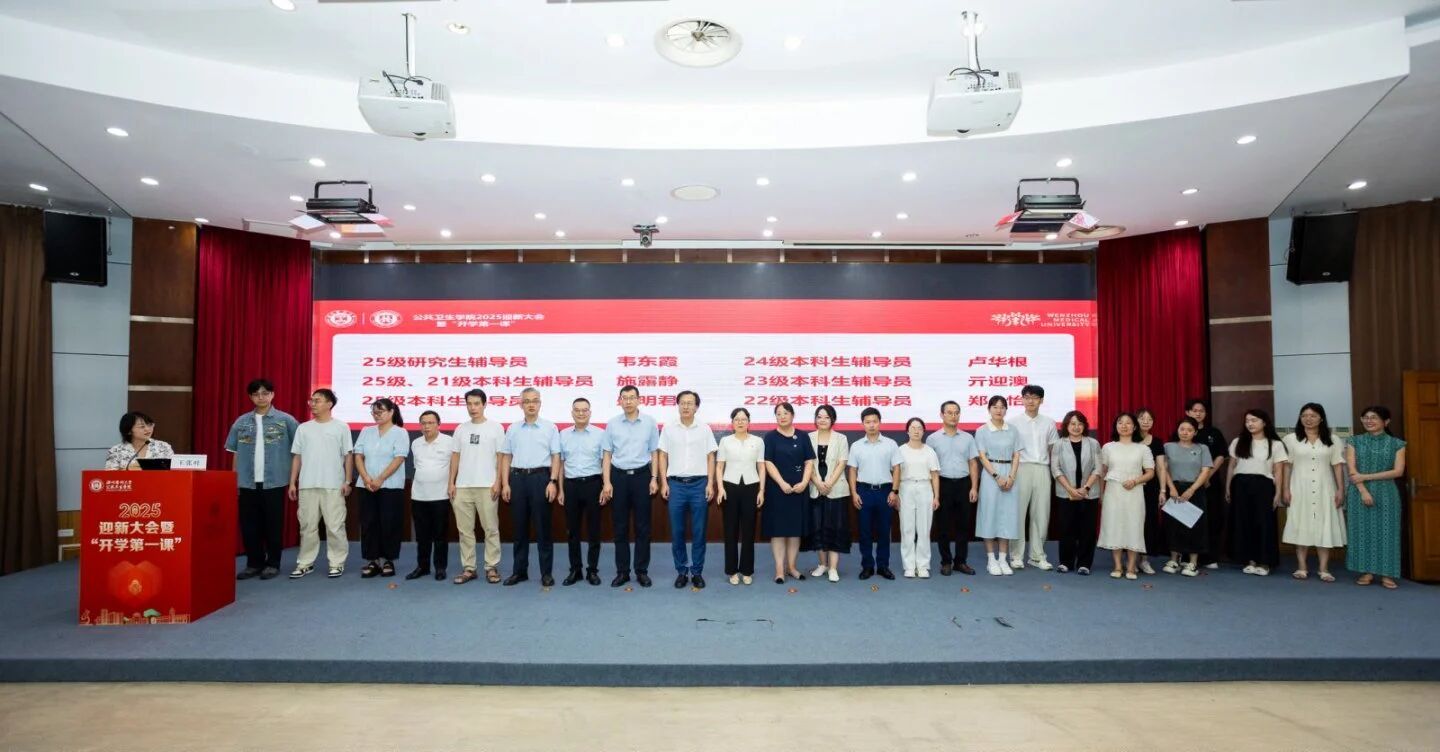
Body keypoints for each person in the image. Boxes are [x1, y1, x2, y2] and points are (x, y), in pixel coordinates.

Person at [224, 378, 299, 581]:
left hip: (274, 481)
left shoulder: (286, 420)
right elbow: (235, 452)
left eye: (265, 393)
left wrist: (293, 480)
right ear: (250, 397)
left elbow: (298, 451)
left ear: (273, 395)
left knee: (273, 524)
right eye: (256, 394)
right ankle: (254, 563)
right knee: (249, 525)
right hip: (246, 481)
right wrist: (234, 480)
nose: (261, 397)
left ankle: (273, 563)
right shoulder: (241, 422)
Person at [287, 389, 353, 579]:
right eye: (312, 400)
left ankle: (337, 562)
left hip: (333, 484)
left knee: (334, 526)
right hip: (307, 484)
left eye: (318, 400)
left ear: (329, 404)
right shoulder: (303, 428)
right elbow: (297, 456)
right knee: (307, 526)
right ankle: (305, 563)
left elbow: (348, 455)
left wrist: (348, 481)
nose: (313, 404)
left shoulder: (341, 427)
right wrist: (292, 483)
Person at [499, 387, 562, 587]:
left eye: (535, 400)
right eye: (527, 401)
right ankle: (519, 571)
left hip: (541, 479)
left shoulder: (550, 428)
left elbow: (556, 456)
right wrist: (505, 483)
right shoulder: (513, 428)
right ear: (521, 405)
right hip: (517, 479)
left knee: (543, 529)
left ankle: (546, 573)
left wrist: (553, 482)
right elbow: (506, 456)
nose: (531, 405)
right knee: (519, 529)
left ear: (540, 403)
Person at [1281, 403, 1347, 582]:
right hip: (1299, 488)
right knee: (1300, 523)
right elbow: (1287, 466)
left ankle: (1324, 569)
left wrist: (1340, 489)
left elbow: (1337, 466)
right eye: (1304, 415)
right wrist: (1285, 488)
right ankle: (1301, 567)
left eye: (1313, 416)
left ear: (1321, 418)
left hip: (1325, 488)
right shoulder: (1290, 439)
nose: (1308, 419)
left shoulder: (1333, 439)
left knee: (1324, 525)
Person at [602, 384, 660, 588]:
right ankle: (622, 572)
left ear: (639, 400)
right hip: (618, 477)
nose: (628, 401)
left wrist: (654, 478)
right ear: (620, 401)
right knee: (620, 527)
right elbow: (607, 455)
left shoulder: (649, 422)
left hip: (642, 477)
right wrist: (607, 482)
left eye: (632, 397)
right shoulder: (612, 424)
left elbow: (654, 452)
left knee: (643, 527)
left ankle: (641, 571)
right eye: (624, 398)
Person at [659, 390, 718, 589]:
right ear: (678, 405)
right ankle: (682, 571)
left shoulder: (704, 429)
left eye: (690, 403)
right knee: (677, 532)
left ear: (696, 407)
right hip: (675, 485)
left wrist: (710, 483)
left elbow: (711, 457)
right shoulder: (668, 428)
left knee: (699, 531)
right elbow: (662, 456)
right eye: (682, 403)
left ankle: (697, 572)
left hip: (699, 485)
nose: (686, 406)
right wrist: (664, 483)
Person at [1345, 405, 1407, 590]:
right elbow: (1352, 471)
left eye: (1374, 417)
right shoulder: (1354, 441)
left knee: (1388, 533)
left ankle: (1388, 573)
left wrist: (1365, 476)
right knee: (1361, 532)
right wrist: (1363, 490)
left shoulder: (1397, 444)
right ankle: (1366, 572)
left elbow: (1398, 471)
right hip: (1358, 492)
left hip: (1387, 493)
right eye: (1365, 417)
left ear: (1386, 421)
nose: (1369, 421)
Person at [449, 388, 505, 585]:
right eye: (469, 404)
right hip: (462, 487)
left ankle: (491, 567)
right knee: (465, 531)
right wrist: (451, 482)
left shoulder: (496, 428)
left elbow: (501, 457)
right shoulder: (460, 429)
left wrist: (498, 482)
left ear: (484, 404)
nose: (473, 408)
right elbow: (455, 456)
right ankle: (469, 568)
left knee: (491, 529)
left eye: (476, 404)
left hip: (487, 486)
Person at [1225, 408, 1288, 576]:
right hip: (1240, 484)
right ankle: (1249, 560)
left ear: (1264, 422)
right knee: (1243, 522)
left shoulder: (1276, 444)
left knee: (1264, 523)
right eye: (1247, 421)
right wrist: (1228, 487)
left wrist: (1278, 493)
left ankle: (1264, 562)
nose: (1250, 424)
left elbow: (1278, 471)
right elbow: (1231, 466)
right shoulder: (1238, 441)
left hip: (1264, 485)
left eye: (1254, 420)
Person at [354, 397, 410, 579]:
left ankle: (388, 560)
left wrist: (380, 479)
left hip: (390, 486)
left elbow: (399, 458)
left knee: (389, 522)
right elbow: (358, 455)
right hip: (366, 485)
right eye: (374, 412)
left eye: (380, 412)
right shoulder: (366, 431)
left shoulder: (400, 432)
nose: (376, 415)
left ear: (391, 412)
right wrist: (366, 477)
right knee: (369, 522)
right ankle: (372, 560)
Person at [1097, 413, 1155, 579]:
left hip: (1134, 492)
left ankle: (1131, 567)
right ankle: (1117, 566)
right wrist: (1101, 493)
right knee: (1115, 526)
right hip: (1113, 492)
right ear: (1116, 426)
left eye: (1128, 423)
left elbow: (1150, 472)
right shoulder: (1108, 447)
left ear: (1134, 427)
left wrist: (1135, 481)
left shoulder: (1143, 448)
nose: (1124, 426)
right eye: (1120, 422)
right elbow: (1102, 472)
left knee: (1133, 526)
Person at [763, 402, 815, 584]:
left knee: (794, 531)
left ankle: (792, 567)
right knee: (778, 531)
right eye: (778, 413)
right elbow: (768, 462)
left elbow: (809, 461)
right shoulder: (770, 437)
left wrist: (804, 482)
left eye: (785, 413)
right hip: (777, 489)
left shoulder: (803, 436)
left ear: (792, 415)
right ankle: (779, 569)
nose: (782, 416)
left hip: (799, 489)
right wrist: (782, 483)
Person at [1007, 385, 1058, 571]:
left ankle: (1037, 556)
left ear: (1041, 400)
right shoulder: (1012, 422)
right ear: (1021, 399)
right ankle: (1016, 556)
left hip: (1042, 469)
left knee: (1041, 514)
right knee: (1018, 514)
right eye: (1027, 397)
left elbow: (1053, 449)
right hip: (1021, 469)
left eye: (1035, 397)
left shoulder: (1049, 423)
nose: (1030, 401)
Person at [927, 401, 980, 576]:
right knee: (943, 526)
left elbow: (973, 463)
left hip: (964, 484)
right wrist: (934, 492)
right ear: (941, 415)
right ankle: (946, 561)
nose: (953, 416)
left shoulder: (968, 438)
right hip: (943, 484)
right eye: (949, 412)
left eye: (956, 412)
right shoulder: (933, 439)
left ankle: (960, 561)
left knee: (963, 526)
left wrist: (974, 487)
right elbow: (930, 468)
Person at [847, 407, 899, 581]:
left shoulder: (891, 444)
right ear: (862, 424)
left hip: (885, 491)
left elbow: (897, 469)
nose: (871, 425)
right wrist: (854, 493)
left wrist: (894, 491)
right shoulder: (856, 446)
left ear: (880, 422)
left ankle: (883, 566)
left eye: (874, 421)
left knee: (884, 531)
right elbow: (852, 470)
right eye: (867, 422)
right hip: (864, 491)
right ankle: (867, 566)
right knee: (865, 532)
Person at [1158, 417, 1214, 577]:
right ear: (1177, 430)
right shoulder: (1168, 447)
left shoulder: (1202, 448)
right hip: (1174, 490)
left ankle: (1192, 562)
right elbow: (1163, 469)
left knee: (1195, 525)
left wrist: (1192, 489)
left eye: (1189, 430)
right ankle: (1174, 559)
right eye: (1182, 429)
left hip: (1195, 490)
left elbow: (1205, 471)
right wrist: (1171, 488)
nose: (1185, 432)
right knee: (1173, 525)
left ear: (1195, 432)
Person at [558, 398, 605, 586]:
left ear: (590, 413)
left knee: (594, 531)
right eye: (577, 410)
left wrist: (605, 486)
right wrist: (560, 489)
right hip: (570, 486)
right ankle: (575, 570)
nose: (581, 413)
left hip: (593, 484)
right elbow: (561, 464)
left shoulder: (600, 434)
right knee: (572, 531)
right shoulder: (563, 434)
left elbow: (604, 462)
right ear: (572, 413)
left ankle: (592, 570)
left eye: (585, 410)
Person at [716, 407, 765, 585]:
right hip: (730, 487)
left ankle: (746, 570)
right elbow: (719, 467)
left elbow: (761, 467)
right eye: (737, 419)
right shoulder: (725, 441)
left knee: (749, 531)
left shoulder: (758, 441)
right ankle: (732, 571)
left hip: (751, 487)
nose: (740, 422)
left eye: (744, 419)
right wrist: (720, 488)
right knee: (730, 530)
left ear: (749, 422)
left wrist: (761, 490)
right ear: (732, 422)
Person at [1050, 410, 1101, 575]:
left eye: (1080, 424)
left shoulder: (1093, 443)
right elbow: (1055, 469)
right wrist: (1071, 489)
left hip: (1089, 493)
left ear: (1085, 426)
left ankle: (1084, 563)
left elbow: (1098, 468)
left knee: (1088, 529)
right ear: (1066, 426)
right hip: (1066, 493)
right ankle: (1066, 562)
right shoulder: (1059, 444)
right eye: (1072, 424)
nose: (1076, 427)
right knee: (1066, 528)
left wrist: (1086, 488)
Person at [975, 396, 1021, 576]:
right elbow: (982, 456)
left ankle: (1003, 559)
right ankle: (991, 559)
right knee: (989, 515)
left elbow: (1016, 455)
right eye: (995, 407)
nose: (999, 410)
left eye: (1002, 407)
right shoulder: (982, 430)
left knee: (1007, 517)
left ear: (1006, 410)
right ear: (989, 409)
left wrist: (1011, 477)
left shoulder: (1013, 430)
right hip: (990, 475)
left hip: (1010, 474)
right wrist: (996, 476)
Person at [1182, 399, 1228, 569]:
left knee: (1212, 518)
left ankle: (1210, 557)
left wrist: (1207, 475)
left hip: (1210, 483)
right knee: (1187, 518)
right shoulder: (1182, 431)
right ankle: (1186, 555)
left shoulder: (1213, 433)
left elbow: (1221, 456)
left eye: (1201, 411)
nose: (1198, 413)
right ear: (1188, 412)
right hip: (1186, 484)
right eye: (1194, 410)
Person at [407, 410, 453, 581]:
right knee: (422, 536)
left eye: (431, 423)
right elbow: (416, 466)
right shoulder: (416, 443)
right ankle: (423, 567)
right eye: (423, 423)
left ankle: (440, 568)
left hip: (441, 495)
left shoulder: (449, 442)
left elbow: (454, 466)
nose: (426, 426)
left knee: (440, 535)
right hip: (419, 496)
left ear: (438, 424)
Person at [807, 404, 851, 582]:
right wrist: (818, 483)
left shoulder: (841, 438)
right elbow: (807, 463)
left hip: (836, 489)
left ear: (833, 419)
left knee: (835, 528)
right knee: (817, 528)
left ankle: (833, 568)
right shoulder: (808, 437)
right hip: (815, 489)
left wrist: (829, 483)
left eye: (826, 417)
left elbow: (842, 463)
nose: (822, 420)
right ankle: (822, 564)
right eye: (819, 416)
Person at [895, 418, 941, 578]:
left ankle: (922, 566)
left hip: (925, 488)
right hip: (905, 488)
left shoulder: (929, 451)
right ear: (907, 431)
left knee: (924, 529)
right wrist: (895, 493)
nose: (916, 431)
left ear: (923, 431)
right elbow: (895, 474)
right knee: (906, 528)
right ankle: (909, 566)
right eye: (913, 428)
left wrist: (936, 496)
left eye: (919, 428)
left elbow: (935, 475)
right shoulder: (900, 450)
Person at [1135, 408, 1166, 574]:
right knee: (1133, 521)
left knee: (1149, 522)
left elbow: (1160, 467)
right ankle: (1131, 559)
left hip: (1151, 488)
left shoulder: (1157, 442)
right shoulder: (1129, 439)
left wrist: (1163, 490)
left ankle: (1144, 560)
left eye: (1149, 419)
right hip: (1131, 486)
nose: (1146, 422)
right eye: (1142, 418)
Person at [105, 412, 175, 470]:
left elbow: (174, 469)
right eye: (142, 426)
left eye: (150, 425)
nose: (148, 429)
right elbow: (110, 476)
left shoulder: (163, 447)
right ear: (129, 431)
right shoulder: (116, 451)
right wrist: (127, 469)